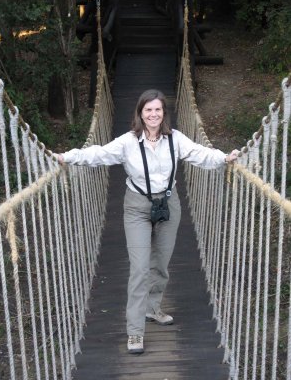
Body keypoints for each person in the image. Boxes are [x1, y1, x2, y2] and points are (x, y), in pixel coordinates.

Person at [56, 89, 239, 354]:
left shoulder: (175, 139)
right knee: (140, 268)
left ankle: (153, 308)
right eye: (148, 110)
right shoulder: (128, 142)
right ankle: (134, 332)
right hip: (137, 207)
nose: (153, 114)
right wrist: (68, 156)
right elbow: (98, 153)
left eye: (158, 110)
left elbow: (201, 154)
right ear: (140, 113)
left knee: (161, 264)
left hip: (168, 205)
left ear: (164, 113)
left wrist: (224, 158)